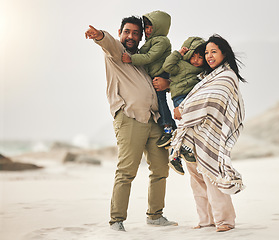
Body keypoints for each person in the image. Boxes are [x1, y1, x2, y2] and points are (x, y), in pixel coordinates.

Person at [84, 16, 177, 232]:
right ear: (120, 32)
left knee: (161, 168)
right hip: (129, 118)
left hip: (154, 119)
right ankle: (116, 220)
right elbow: (107, 42)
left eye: (136, 33)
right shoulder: (116, 53)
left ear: (141, 37)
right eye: (127, 32)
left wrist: (168, 84)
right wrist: (99, 35)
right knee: (127, 171)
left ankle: (155, 215)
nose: (131, 36)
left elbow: (161, 82)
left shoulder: (144, 58)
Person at [169, 34, 246, 232]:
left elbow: (213, 101)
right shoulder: (206, 77)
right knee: (197, 181)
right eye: (206, 53)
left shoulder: (227, 76)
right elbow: (198, 96)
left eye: (214, 52)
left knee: (212, 177)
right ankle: (205, 220)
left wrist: (183, 110)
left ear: (224, 53)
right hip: (194, 133)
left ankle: (225, 221)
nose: (209, 56)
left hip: (210, 133)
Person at [122, 10, 176, 149]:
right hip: (155, 75)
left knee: (161, 101)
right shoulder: (151, 41)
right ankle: (173, 129)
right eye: (146, 27)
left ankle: (169, 129)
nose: (148, 30)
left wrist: (131, 59)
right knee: (159, 101)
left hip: (161, 75)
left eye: (151, 26)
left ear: (160, 27)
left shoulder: (162, 41)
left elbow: (149, 57)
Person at [162, 37, 205, 175]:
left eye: (200, 57)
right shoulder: (180, 64)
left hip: (192, 98)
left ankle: (182, 152)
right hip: (180, 97)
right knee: (185, 124)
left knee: (190, 126)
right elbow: (167, 66)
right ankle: (176, 154)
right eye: (193, 56)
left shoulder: (202, 69)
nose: (196, 60)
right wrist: (178, 54)